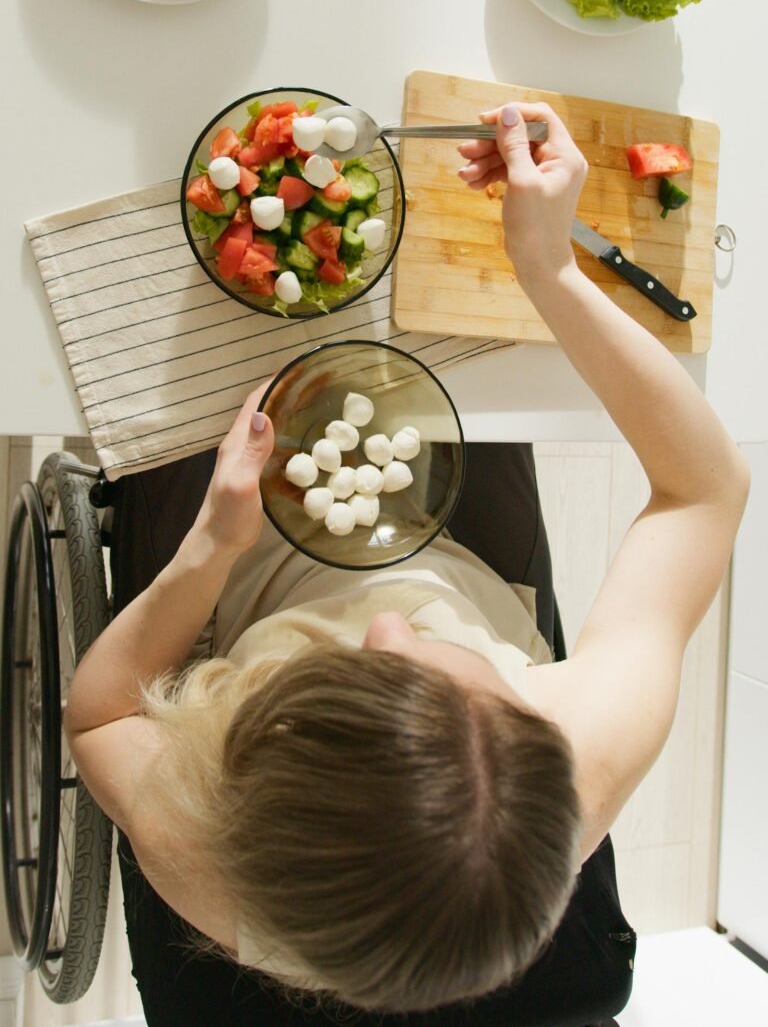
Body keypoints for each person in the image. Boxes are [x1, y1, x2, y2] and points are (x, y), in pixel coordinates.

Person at [64, 102, 749, 1018]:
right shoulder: (576, 754)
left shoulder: (207, 851)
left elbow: (99, 718)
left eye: (352, 667)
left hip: (241, 593)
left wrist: (212, 548)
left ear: (248, 769)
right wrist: (548, 270)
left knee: (159, 353)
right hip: (455, 564)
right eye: (432, 663)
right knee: (470, 381)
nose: (387, 622)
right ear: (537, 727)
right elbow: (705, 489)